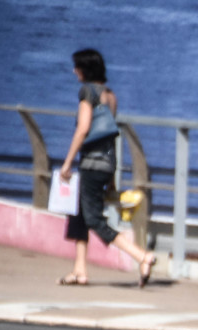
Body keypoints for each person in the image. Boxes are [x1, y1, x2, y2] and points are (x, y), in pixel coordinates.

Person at [58, 48, 156, 287]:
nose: (74, 71)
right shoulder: (110, 96)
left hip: (91, 163)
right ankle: (80, 271)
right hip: (107, 162)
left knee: (93, 219)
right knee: (80, 214)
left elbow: (83, 129)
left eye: (77, 67)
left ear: (85, 69)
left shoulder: (87, 92)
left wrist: (67, 163)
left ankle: (141, 256)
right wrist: (112, 175)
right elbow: (110, 135)